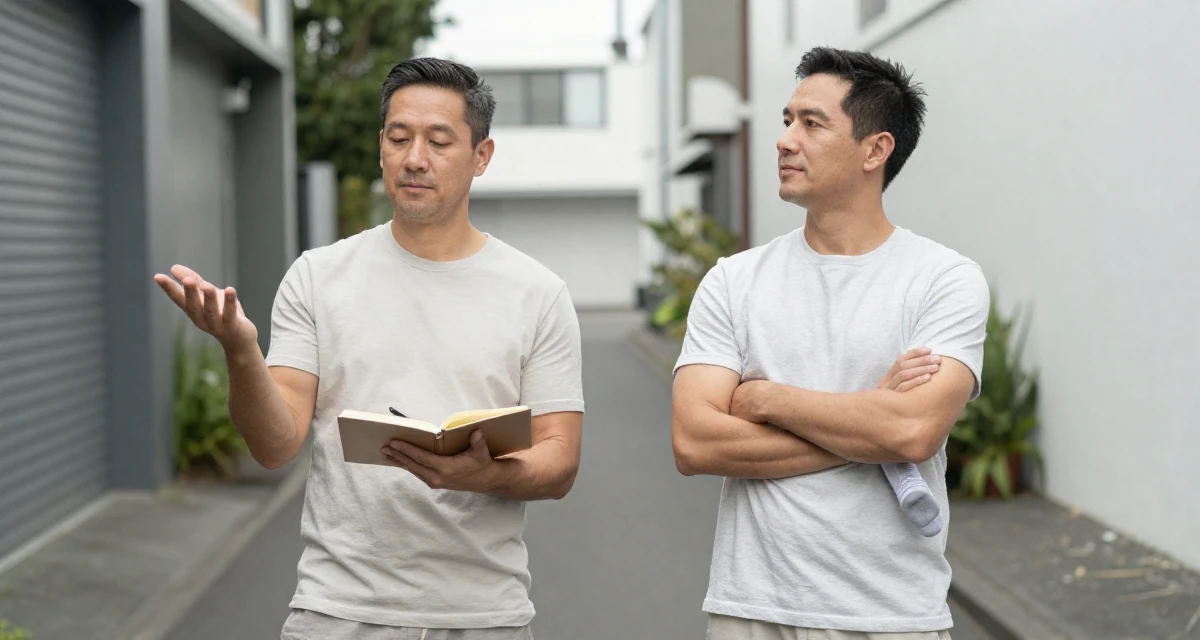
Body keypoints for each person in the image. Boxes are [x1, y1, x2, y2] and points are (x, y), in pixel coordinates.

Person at [154, 57, 585, 640]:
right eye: (399, 138)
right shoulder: (317, 277)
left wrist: (483, 475)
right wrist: (240, 350)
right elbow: (275, 445)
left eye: (439, 141)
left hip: (485, 616)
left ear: (481, 156)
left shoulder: (537, 293)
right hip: (336, 611)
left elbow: (560, 460)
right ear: (381, 146)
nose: (415, 158)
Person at [671, 46, 989, 639]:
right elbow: (694, 441)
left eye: (812, 124)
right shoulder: (734, 280)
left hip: (892, 616)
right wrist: (870, 423)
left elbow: (911, 432)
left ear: (875, 150)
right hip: (751, 611)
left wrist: (766, 400)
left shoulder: (943, 279)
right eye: (787, 120)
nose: (785, 140)